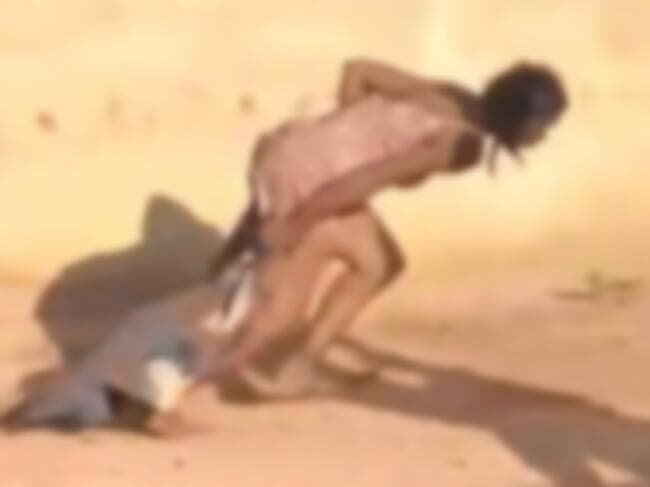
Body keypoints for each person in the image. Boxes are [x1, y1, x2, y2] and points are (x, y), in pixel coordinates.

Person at [207, 58, 569, 396]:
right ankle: (193, 374)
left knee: (378, 263)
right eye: (544, 126)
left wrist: (341, 133)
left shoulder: (453, 94)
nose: (544, 136)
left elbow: (358, 71)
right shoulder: (463, 145)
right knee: (277, 310)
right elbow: (366, 179)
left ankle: (294, 363)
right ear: (520, 118)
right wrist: (297, 223)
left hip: (286, 147)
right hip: (312, 181)